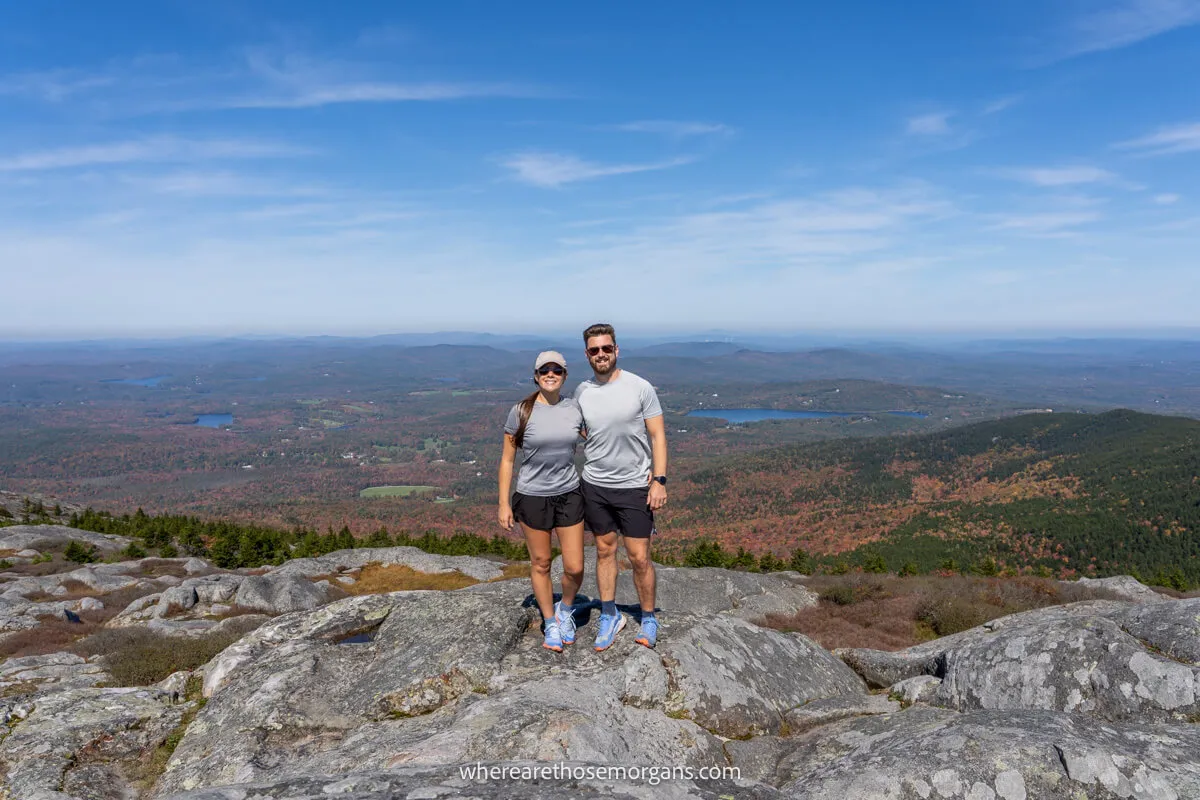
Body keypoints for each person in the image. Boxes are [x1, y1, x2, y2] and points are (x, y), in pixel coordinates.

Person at [573, 323, 667, 650]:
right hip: (595, 485)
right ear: (587, 354)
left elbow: (657, 435)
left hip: (634, 487)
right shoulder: (582, 391)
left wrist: (659, 480)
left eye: (606, 348)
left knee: (639, 557)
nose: (601, 354)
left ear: (617, 350)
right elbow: (581, 429)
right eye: (595, 350)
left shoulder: (639, 387)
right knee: (604, 550)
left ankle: (649, 617)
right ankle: (610, 614)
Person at [497, 350, 586, 652]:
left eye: (557, 370)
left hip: (569, 492)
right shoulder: (521, 411)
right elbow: (508, 460)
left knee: (574, 566)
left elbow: (600, 440)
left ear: (564, 376)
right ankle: (550, 621)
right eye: (544, 370)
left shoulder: (575, 409)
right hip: (532, 496)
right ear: (536, 376)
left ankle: (566, 609)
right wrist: (503, 503)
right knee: (541, 562)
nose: (551, 374)